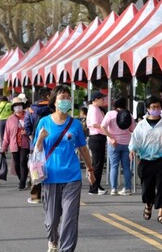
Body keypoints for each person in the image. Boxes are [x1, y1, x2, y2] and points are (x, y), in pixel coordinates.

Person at [32, 84, 95, 252]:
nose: (66, 100)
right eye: (62, 98)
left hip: (72, 177)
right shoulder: (44, 122)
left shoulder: (75, 124)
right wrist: (40, 139)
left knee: (69, 218)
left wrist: (90, 169)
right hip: (50, 176)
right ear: (54, 101)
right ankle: (53, 241)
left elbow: (83, 148)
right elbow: (36, 150)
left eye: (68, 97)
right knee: (52, 220)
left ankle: (66, 250)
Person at [129, 95, 162, 224]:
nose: (156, 109)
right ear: (148, 109)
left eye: (158, 107)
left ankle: (161, 213)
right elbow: (135, 140)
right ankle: (148, 204)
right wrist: (132, 150)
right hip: (146, 159)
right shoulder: (141, 125)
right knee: (147, 187)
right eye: (153, 107)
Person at [100, 96, 135, 196]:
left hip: (113, 144)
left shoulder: (110, 114)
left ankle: (113, 189)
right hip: (127, 144)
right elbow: (133, 129)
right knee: (126, 167)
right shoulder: (129, 115)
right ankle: (127, 188)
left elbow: (102, 127)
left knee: (114, 166)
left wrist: (111, 138)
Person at [24, 87, 53, 203]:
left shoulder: (30, 110)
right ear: (47, 96)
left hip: (36, 143)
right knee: (51, 167)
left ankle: (35, 196)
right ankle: (50, 195)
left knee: (36, 168)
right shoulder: (52, 109)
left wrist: (33, 138)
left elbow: (27, 126)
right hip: (52, 143)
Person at [1, 96, 30, 190]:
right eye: (16, 105)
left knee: (23, 162)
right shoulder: (10, 119)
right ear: (13, 107)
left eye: (19, 105)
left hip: (25, 144)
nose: (18, 107)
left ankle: (22, 182)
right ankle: (21, 179)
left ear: (22, 105)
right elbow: (7, 134)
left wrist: (27, 132)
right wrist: (3, 148)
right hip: (14, 145)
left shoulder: (28, 116)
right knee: (16, 164)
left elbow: (33, 128)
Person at [86, 91, 108, 195]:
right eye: (101, 99)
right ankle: (93, 188)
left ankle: (97, 185)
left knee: (98, 163)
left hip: (97, 137)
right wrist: (104, 128)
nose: (103, 100)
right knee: (97, 164)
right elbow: (94, 124)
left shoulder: (94, 109)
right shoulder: (94, 110)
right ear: (95, 100)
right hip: (97, 137)